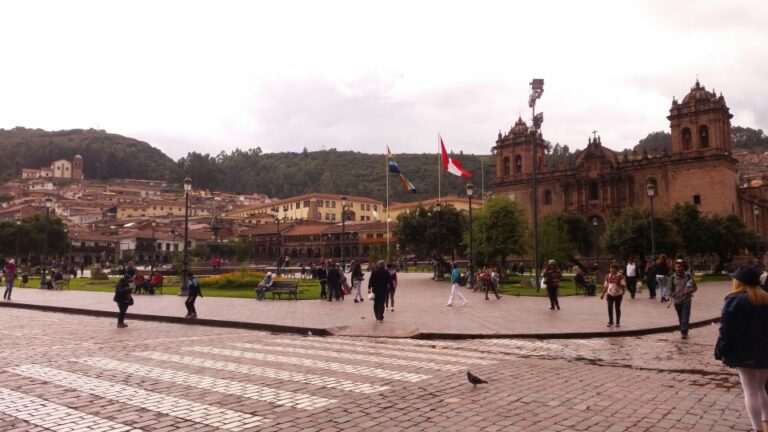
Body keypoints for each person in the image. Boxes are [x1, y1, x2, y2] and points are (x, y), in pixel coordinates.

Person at [715, 265, 768, 432]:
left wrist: (721, 350)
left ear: (739, 282)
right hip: (765, 351)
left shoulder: (734, 300)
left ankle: (757, 428)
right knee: (761, 387)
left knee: (750, 391)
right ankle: (766, 419)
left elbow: (726, 330)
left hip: (744, 352)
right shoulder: (766, 298)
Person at [669, 260, 697, 338]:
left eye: (679, 266)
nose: (678, 268)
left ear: (683, 267)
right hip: (677, 300)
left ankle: (683, 332)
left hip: (686, 299)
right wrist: (670, 295)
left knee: (685, 315)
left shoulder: (688, 277)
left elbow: (695, 288)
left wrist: (689, 291)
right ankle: (684, 329)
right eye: (676, 267)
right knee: (680, 316)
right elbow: (670, 289)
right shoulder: (672, 277)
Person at [601, 263, 626, 327]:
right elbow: (605, 286)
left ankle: (618, 322)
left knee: (617, 308)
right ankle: (611, 321)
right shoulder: (608, 276)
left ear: (617, 269)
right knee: (610, 307)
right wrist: (603, 294)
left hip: (618, 294)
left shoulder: (620, 276)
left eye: (613, 268)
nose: (611, 269)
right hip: (610, 294)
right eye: (611, 268)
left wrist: (622, 290)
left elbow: (623, 285)